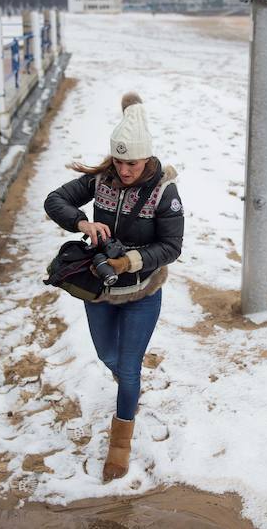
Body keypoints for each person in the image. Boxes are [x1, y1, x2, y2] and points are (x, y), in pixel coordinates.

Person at [44, 92, 184, 482]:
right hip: (100, 291)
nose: (123, 170)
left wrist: (130, 262)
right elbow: (55, 199)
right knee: (109, 357)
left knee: (129, 366)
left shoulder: (164, 193)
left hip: (143, 293)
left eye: (132, 163)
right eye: (119, 161)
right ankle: (128, 385)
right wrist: (81, 223)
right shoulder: (101, 180)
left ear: (147, 158)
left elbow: (172, 247)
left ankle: (120, 444)